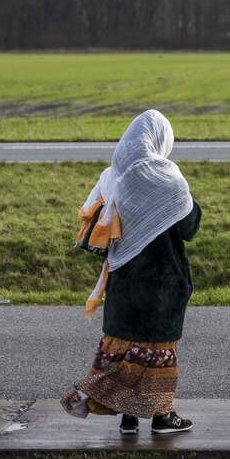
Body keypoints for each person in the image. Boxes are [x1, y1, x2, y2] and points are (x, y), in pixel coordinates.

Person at [61, 109, 200, 436]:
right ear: (161, 139)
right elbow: (189, 226)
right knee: (158, 349)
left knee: (123, 346)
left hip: (123, 278)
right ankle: (162, 416)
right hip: (162, 282)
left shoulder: (112, 177)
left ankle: (128, 415)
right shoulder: (168, 178)